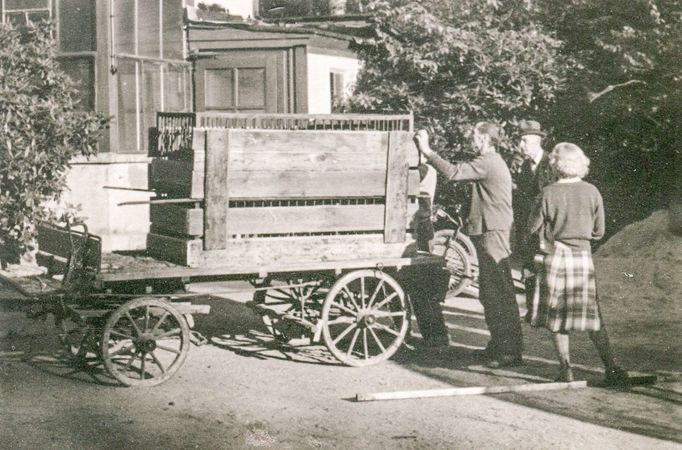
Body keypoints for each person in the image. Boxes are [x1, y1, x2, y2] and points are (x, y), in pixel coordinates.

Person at [414, 123, 523, 368]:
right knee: (491, 291)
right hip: (492, 230)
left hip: (493, 232)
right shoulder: (489, 161)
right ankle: (499, 346)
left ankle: (509, 351)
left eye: (474, 136)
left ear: (484, 139)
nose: (470, 139)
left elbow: (453, 173)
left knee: (498, 293)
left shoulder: (488, 162)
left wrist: (428, 151)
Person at [527, 142, 627, 383]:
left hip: (556, 257)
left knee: (557, 315)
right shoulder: (592, 191)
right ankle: (612, 367)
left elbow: (531, 229)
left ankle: (566, 369)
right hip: (582, 258)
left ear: (555, 165)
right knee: (592, 315)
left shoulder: (548, 193)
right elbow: (599, 231)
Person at [512, 120, 555, 320]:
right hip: (528, 228)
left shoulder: (551, 164)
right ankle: (532, 311)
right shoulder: (524, 166)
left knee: (547, 270)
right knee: (529, 269)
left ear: (538, 141)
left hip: (548, 229)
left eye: (525, 141)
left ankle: (549, 312)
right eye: (520, 141)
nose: (521, 146)